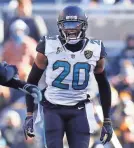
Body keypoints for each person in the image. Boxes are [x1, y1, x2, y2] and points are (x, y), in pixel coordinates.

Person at [24, 6, 113, 148]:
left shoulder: (95, 49)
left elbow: (103, 85)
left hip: (80, 108)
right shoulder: (48, 45)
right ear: (60, 26)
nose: (71, 29)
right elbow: (32, 81)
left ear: (84, 26)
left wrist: (107, 120)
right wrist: (29, 114)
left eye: (75, 24)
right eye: (67, 24)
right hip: (52, 108)